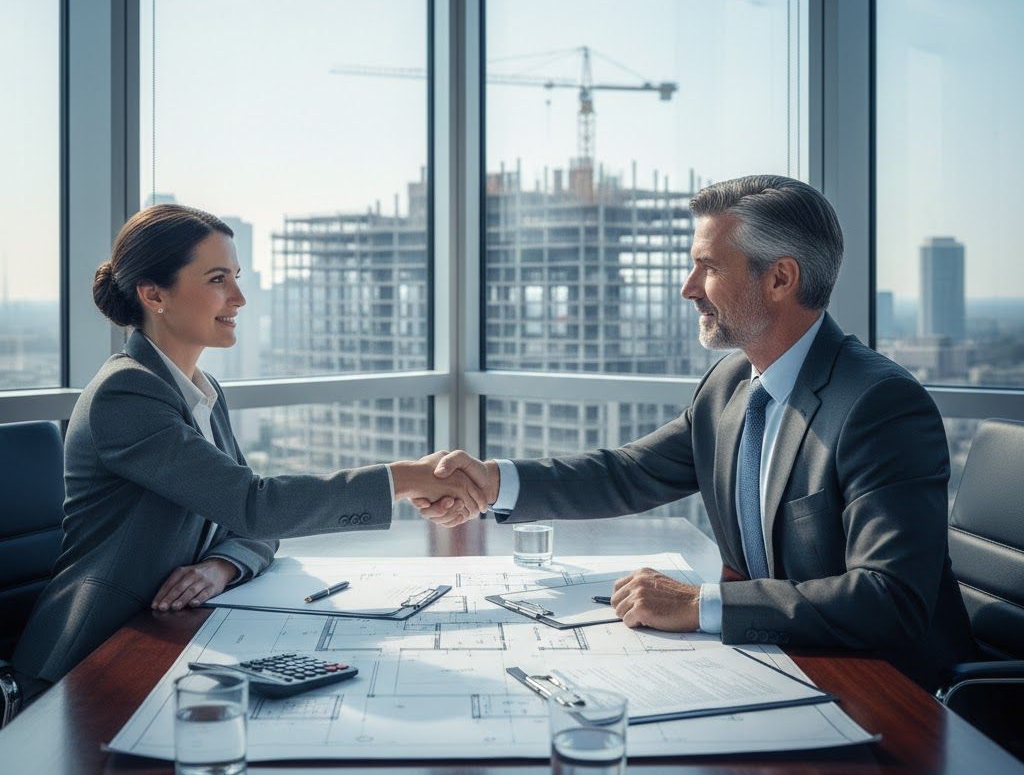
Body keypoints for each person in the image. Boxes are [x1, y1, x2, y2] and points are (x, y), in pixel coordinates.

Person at [416, 175, 975, 689]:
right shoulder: (731, 383)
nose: (688, 288)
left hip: (891, 693)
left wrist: (703, 605)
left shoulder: (879, 405)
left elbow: (890, 601)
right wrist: (493, 483)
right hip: (782, 665)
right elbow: (630, 472)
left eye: (708, 267)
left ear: (780, 278)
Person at [10, 204, 486, 698]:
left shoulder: (200, 389)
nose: (239, 297)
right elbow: (255, 506)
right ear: (154, 294)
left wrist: (222, 566)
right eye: (218, 279)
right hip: (88, 660)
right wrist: (405, 478)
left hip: (166, 635)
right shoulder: (126, 394)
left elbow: (251, 527)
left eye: (236, 277)